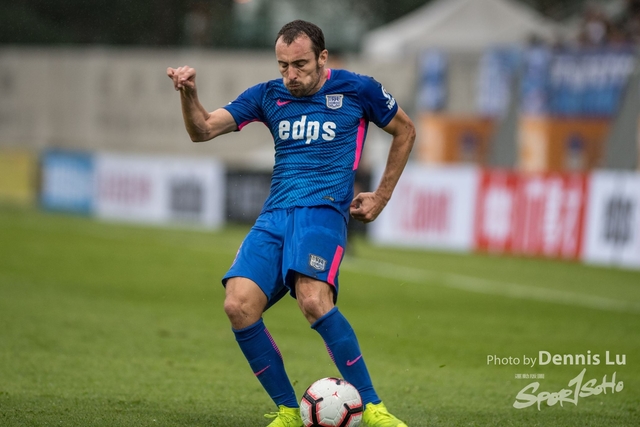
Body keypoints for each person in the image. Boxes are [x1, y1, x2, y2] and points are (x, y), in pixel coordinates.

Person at [167, 20, 415, 427]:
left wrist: (382, 195)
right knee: (237, 305)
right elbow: (203, 130)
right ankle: (287, 410)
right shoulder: (268, 94)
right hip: (275, 215)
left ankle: (372, 408)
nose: (291, 75)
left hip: (322, 212)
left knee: (313, 299)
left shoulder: (358, 89)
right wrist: (189, 94)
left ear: (322, 58)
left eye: (300, 65)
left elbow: (405, 131)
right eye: (283, 65)